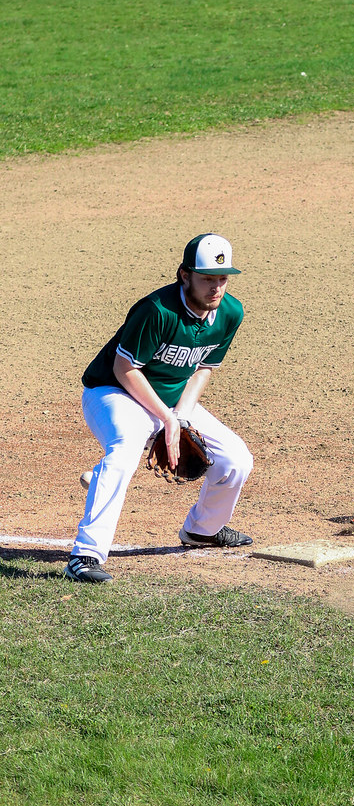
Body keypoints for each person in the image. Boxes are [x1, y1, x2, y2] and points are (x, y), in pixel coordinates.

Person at [64, 233, 254, 583]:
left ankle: (202, 530)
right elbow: (125, 369)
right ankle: (85, 556)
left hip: (172, 401)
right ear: (185, 275)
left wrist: (179, 416)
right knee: (123, 453)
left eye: (222, 279)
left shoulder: (230, 313)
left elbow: (202, 369)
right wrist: (165, 419)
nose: (216, 288)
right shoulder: (157, 310)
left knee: (236, 460)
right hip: (112, 392)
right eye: (207, 279)